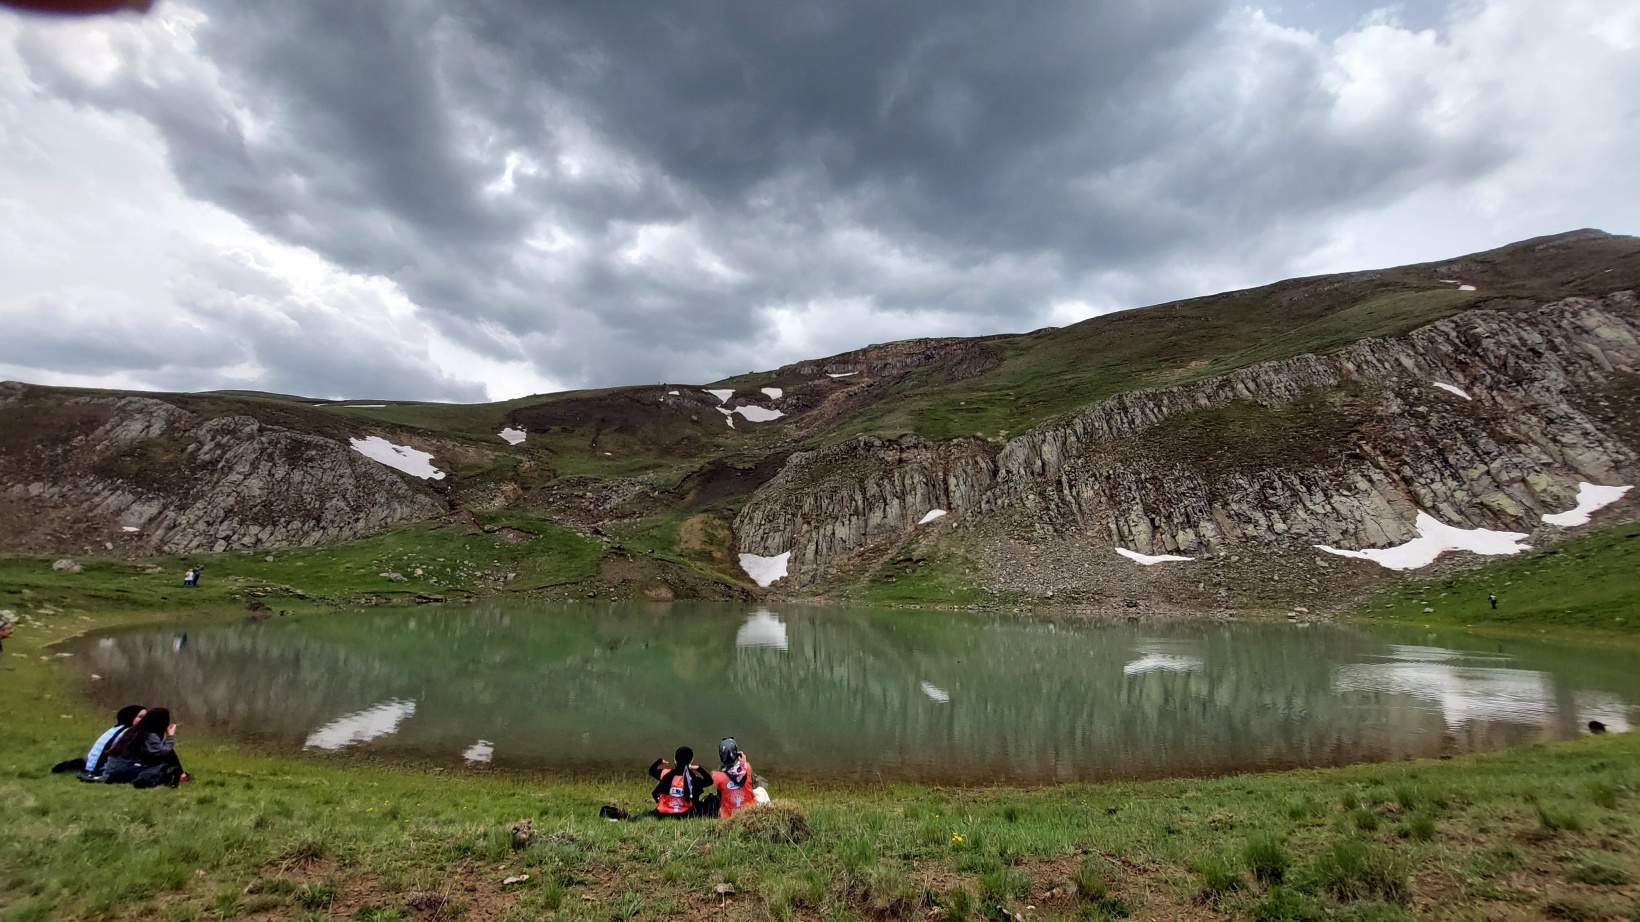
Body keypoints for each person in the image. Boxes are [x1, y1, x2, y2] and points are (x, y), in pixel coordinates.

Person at [101, 707, 187, 787]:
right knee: (168, 753)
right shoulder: (149, 735)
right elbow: (163, 752)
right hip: (126, 771)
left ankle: (181, 775)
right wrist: (170, 736)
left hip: (112, 772)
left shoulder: (134, 731)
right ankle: (182, 776)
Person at [52, 704, 143, 775]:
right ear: (131, 717)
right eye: (140, 717)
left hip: (90, 765)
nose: (144, 720)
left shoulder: (115, 729)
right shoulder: (128, 732)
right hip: (101, 768)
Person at [644, 746, 714, 818]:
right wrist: (699, 768)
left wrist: (659, 761)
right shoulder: (692, 778)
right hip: (685, 813)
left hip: (664, 812)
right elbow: (709, 781)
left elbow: (652, 771)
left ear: (675, 760)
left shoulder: (666, 774)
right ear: (691, 761)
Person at [710, 737, 760, 819]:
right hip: (749, 813)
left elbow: (720, 796)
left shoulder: (716, 776)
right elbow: (754, 785)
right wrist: (744, 763)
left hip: (729, 817)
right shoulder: (747, 767)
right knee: (761, 791)